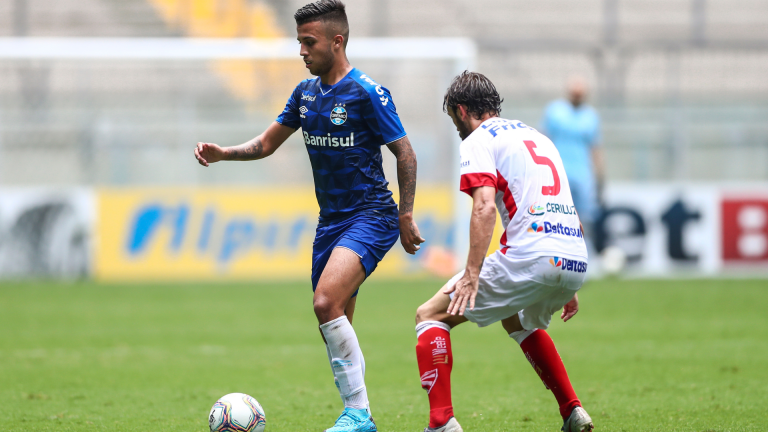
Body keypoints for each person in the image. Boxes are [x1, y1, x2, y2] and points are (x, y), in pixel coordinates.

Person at [194, 2, 424, 431]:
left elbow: (405, 152)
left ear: (337, 41)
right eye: (299, 41)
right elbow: (266, 144)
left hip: (371, 214)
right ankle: (361, 415)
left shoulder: (367, 93)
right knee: (336, 321)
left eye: (308, 42)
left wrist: (405, 214)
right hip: (330, 223)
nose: (301, 50)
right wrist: (224, 153)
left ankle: (357, 415)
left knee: (325, 302)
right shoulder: (306, 94)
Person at [413, 72, 594, 432]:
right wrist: (569, 284)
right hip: (574, 255)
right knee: (515, 318)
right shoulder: (537, 137)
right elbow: (565, 204)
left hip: (531, 256)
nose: (458, 130)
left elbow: (484, 208)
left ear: (462, 111)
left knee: (430, 315)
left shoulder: (479, 139)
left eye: (454, 121)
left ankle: (441, 422)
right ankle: (572, 411)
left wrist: (471, 274)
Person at [540, 76, 604, 244]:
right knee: (555, 216)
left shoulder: (591, 116)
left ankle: (584, 255)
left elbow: (595, 149)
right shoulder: (554, 111)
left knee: (585, 219)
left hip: (583, 175)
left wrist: (599, 178)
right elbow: (543, 140)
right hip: (558, 174)